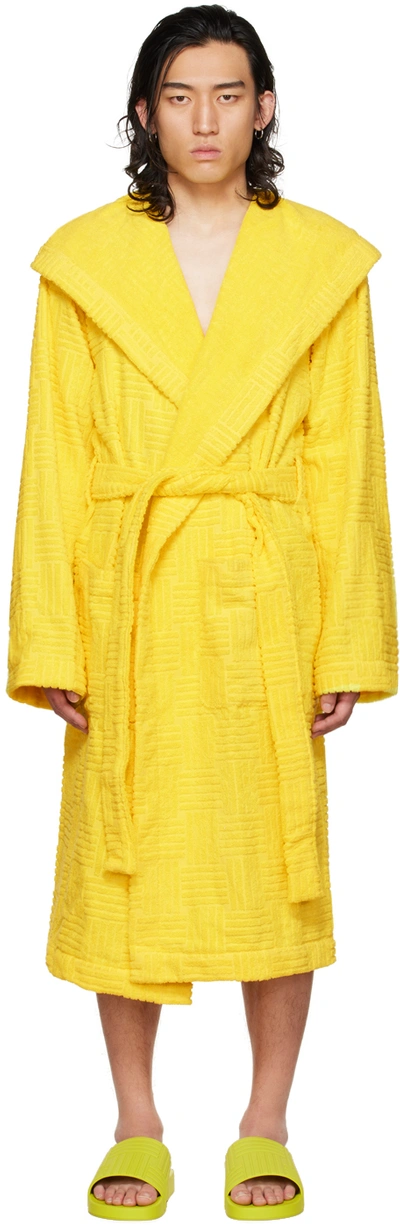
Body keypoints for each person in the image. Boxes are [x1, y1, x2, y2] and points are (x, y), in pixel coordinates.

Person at [6, 4, 398, 1219]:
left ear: (263, 106)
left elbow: (346, 460)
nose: (205, 119)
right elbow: (56, 458)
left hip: (261, 601)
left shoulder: (319, 264)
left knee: (276, 861)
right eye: (179, 97)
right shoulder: (84, 262)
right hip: (130, 602)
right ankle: (136, 1121)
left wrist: (345, 638)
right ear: (144, 113)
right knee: (123, 862)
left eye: (228, 94)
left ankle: (265, 1120)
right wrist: (51, 636)